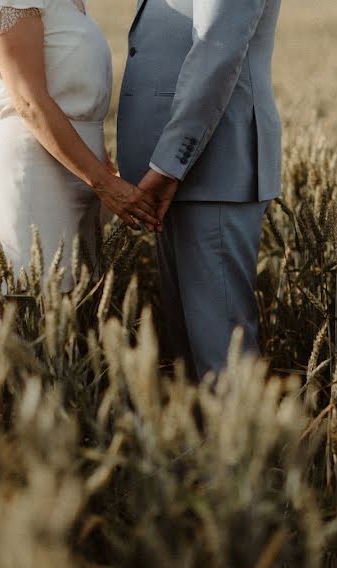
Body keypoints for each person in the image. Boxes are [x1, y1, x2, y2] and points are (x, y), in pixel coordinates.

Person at [117, 0, 284, 381]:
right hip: (182, 176)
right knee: (191, 364)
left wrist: (168, 163)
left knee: (221, 363)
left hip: (211, 171)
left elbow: (215, 50)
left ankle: (239, 442)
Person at [0, 0, 159, 298]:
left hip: (82, 171)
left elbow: (75, 96)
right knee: (31, 311)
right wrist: (105, 183)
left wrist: (104, 166)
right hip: (33, 171)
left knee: (78, 316)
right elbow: (29, 102)